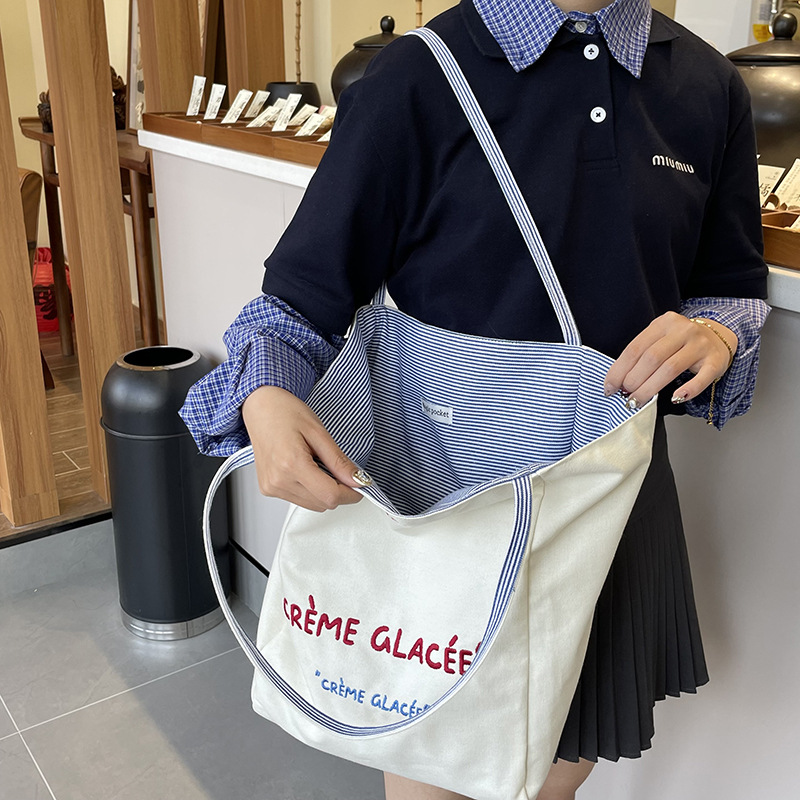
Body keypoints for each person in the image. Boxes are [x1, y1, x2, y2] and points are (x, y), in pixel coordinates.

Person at [181, 1, 770, 797]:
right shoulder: (415, 76)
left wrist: (718, 334)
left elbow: (729, 283)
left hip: (607, 500)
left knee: (555, 767)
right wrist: (266, 398)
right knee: (433, 756)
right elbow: (298, 300)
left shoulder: (707, 86)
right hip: (445, 507)